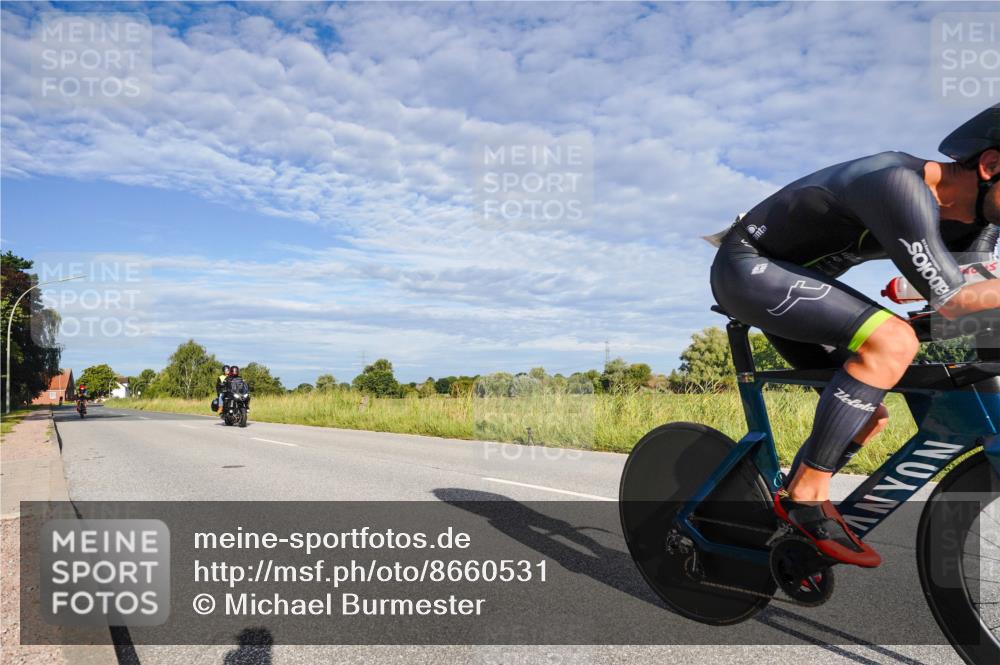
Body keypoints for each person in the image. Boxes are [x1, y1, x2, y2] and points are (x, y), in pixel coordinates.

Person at [709, 105, 1000, 568]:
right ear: (990, 165)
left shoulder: (980, 221)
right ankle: (806, 498)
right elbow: (954, 298)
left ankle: (787, 507)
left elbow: (978, 302)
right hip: (748, 269)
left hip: (806, 285)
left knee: (867, 415)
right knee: (893, 341)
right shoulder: (896, 183)